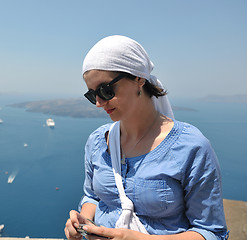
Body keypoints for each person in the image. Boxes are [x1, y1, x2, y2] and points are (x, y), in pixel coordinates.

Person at [64, 35, 229, 240]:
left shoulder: (191, 147)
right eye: (91, 94)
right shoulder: (98, 141)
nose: (98, 102)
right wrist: (84, 220)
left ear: (138, 79)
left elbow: (212, 232)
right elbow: (93, 197)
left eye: (105, 91)